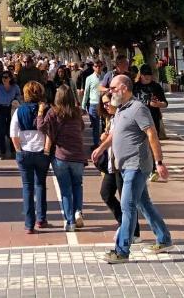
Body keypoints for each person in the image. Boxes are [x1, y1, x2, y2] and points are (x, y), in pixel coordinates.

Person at [91, 75, 173, 263]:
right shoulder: (120, 109)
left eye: (112, 88)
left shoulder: (138, 109)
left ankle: (122, 251)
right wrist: (101, 148)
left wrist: (159, 162)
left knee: (127, 206)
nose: (109, 91)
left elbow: (152, 134)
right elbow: (115, 133)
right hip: (124, 165)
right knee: (143, 204)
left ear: (123, 88)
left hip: (135, 166)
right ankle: (164, 238)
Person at [38, 85, 87, 232]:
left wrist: (40, 113)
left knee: (65, 189)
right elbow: (82, 127)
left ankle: (70, 221)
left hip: (61, 155)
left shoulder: (53, 112)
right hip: (78, 154)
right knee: (77, 184)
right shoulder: (77, 112)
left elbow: (41, 127)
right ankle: (78, 211)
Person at [11, 80, 52, 233]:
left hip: (25, 152)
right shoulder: (46, 110)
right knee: (40, 184)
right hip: (42, 152)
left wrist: (18, 150)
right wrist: (47, 150)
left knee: (27, 187)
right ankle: (41, 219)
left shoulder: (19, 111)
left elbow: (13, 133)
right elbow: (50, 132)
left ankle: (29, 224)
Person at [0, 71, 22, 159]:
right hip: (1, 109)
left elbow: (19, 96)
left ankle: (13, 151)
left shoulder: (15, 87)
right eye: (3, 77)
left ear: (10, 78)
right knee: (1, 131)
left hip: (11, 109)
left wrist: (16, 101)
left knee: (11, 130)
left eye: (6, 77)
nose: (4, 79)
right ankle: (2, 152)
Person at [132, 65, 168, 130]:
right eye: (145, 74)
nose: (147, 76)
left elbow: (165, 103)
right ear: (141, 75)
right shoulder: (135, 87)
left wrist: (158, 104)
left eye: (149, 74)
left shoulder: (156, 87)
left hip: (153, 118)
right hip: (137, 118)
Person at [81, 60, 105, 149]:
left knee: (105, 125)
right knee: (95, 126)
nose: (98, 67)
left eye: (100, 66)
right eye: (96, 66)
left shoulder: (105, 76)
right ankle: (96, 144)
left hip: (104, 104)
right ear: (93, 67)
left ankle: (104, 143)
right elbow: (86, 93)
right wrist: (83, 106)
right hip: (93, 104)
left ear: (102, 66)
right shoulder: (89, 78)